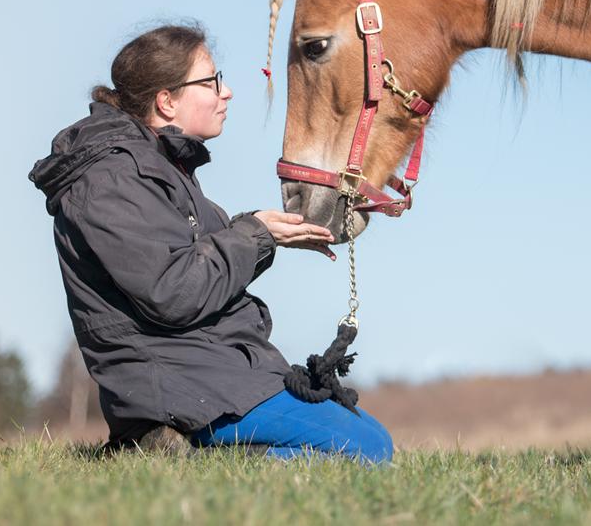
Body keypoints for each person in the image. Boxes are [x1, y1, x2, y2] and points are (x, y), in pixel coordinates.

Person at [29, 23, 393, 463]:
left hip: (205, 371)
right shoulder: (114, 177)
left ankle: (180, 450)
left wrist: (264, 234)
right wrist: (256, 233)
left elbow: (187, 261)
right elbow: (173, 291)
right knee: (367, 451)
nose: (228, 93)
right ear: (166, 101)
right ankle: (182, 455)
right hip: (177, 383)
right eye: (212, 81)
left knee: (369, 436)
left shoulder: (155, 165)